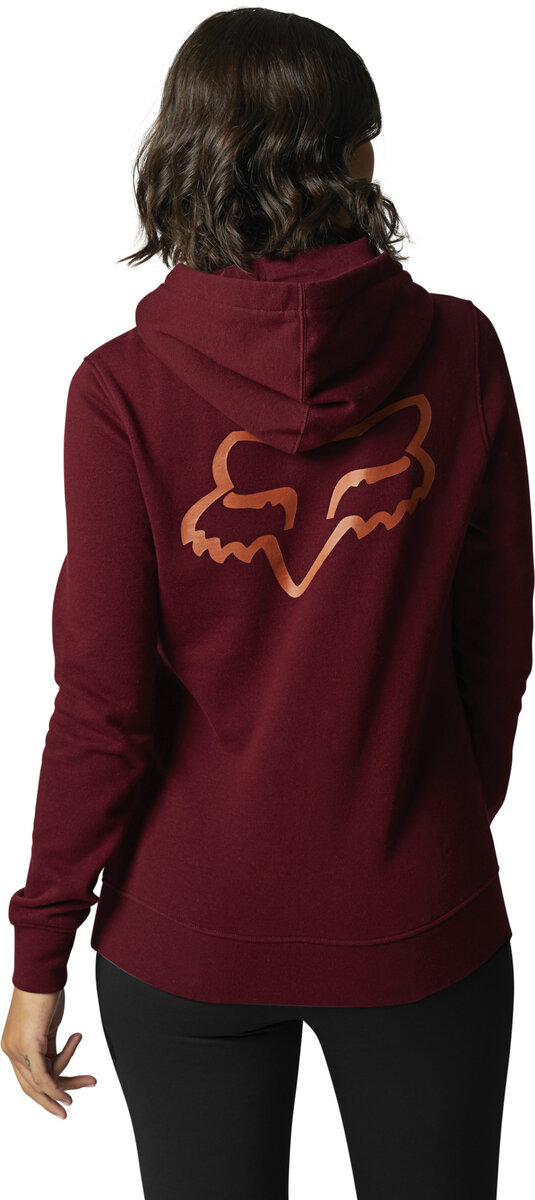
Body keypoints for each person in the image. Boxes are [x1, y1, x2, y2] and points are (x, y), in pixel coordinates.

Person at [2, 8, 533, 1199]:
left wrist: (41, 949)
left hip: (186, 928)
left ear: (190, 155)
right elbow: (497, 637)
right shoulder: (459, 352)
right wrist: (434, 815)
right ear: (352, 157)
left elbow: (102, 701)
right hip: (419, 909)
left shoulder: (121, 390)